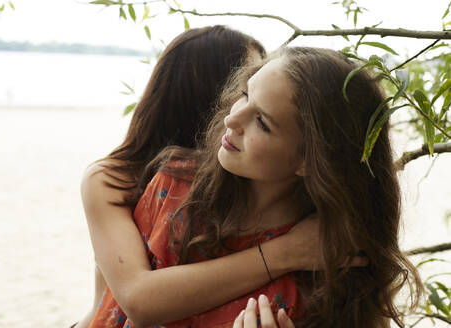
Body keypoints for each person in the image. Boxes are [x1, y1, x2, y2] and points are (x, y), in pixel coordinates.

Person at [95, 46, 422, 327]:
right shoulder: (176, 188)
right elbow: (133, 306)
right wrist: (284, 254)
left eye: (262, 122)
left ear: (310, 159)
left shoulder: (334, 266)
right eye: (245, 95)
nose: (232, 120)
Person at [77, 27, 330, 328]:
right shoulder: (123, 180)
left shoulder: (280, 203)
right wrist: (285, 253)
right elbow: (140, 299)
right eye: (245, 88)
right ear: (214, 93)